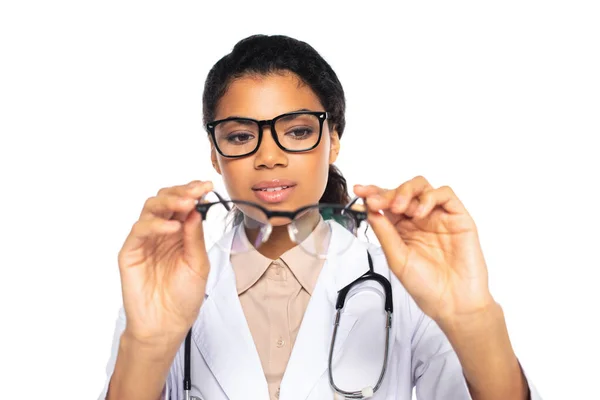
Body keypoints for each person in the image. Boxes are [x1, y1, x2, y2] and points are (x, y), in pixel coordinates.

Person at [99, 34, 541, 400]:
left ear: (333, 140)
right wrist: (148, 344)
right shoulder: (165, 287)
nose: (268, 156)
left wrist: (474, 318)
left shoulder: (407, 285)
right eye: (239, 136)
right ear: (215, 155)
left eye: (297, 131)